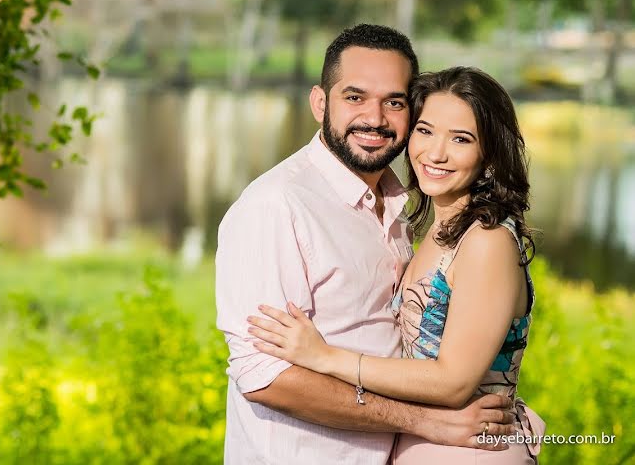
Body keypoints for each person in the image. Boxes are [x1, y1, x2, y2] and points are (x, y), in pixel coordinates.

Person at [216, 25, 518, 465]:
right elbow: (265, 377)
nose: (375, 119)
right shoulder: (275, 206)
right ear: (320, 102)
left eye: (394, 102)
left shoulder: (400, 205)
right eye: (354, 97)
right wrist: (420, 421)